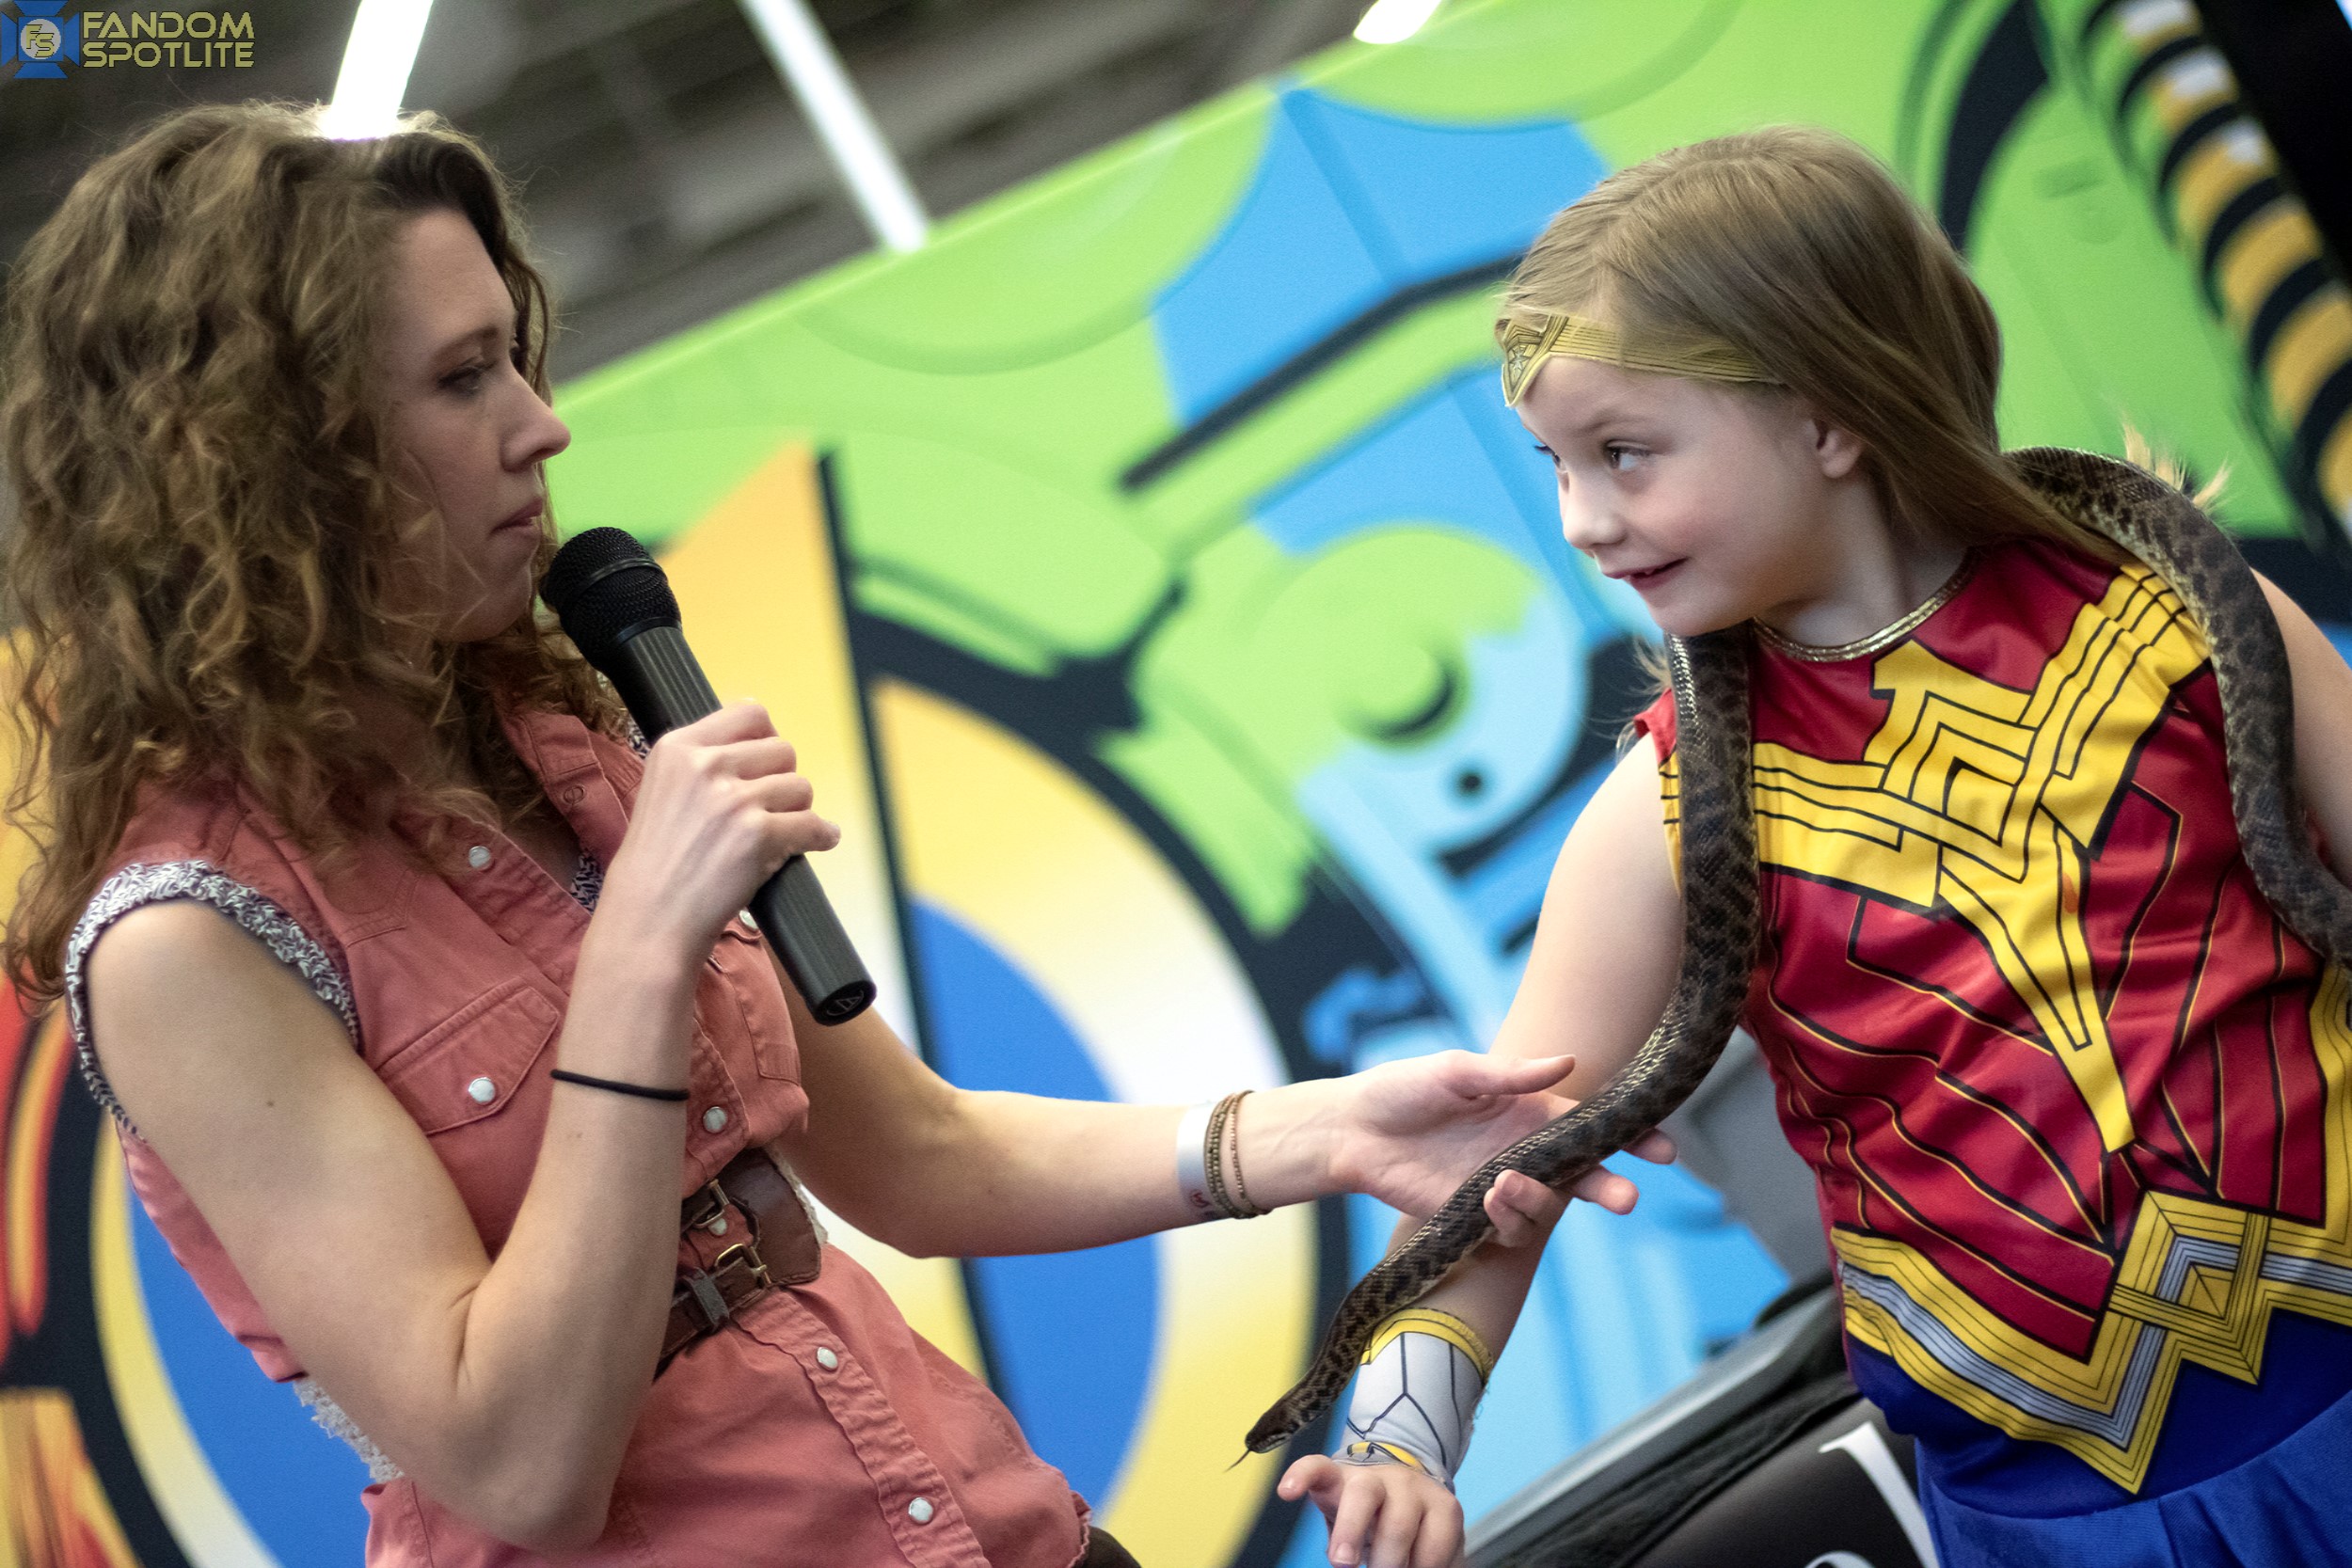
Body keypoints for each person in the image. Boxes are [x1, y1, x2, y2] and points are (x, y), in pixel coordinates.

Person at [0, 103, 1649, 1567]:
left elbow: (920, 1159)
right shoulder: (182, 940)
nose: (540, 424)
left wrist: (1319, 1133)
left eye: (514, 356)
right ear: (269, 458)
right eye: (459, 377)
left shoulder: (554, 737)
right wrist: (638, 959)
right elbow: (518, 1462)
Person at [1277, 125, 2352, 1568]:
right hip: (2061, 1523)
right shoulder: (1662, 817)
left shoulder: (2182, 612)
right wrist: (1401, 1444)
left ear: (1831, 416)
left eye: (1625, 454)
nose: (1582, 520)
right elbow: (1498, 1170)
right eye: (1557, 466)